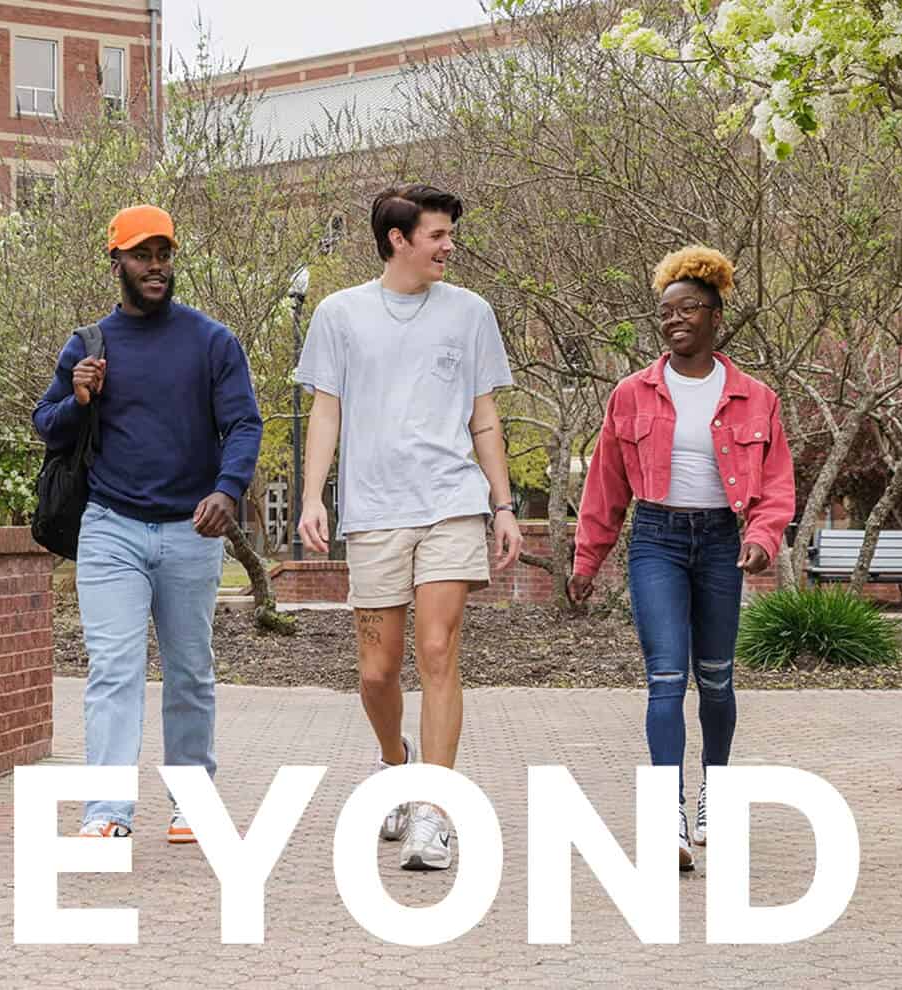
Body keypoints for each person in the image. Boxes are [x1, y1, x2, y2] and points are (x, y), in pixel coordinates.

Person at [294, 184, 520, 872]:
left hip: (452, 502)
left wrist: (504, 504)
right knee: (376, 671)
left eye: (450, 233)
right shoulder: (339, 315)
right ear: (398, 240)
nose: (449, 246)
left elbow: (483, 415)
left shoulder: (470, 314)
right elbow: (326, 413)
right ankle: (395, 762)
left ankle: (433, 811)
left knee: (438, 649)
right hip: (373, 512)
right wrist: (312, 497)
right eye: (437, 235)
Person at [34, 204, 263, 843]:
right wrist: (76, 400)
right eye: (142, 254)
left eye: (163, 253)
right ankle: (106, 812)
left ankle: (192, 803)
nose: (155, 266)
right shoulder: (89, 345)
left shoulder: (212, 341)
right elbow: (45, 426)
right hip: (110, 527)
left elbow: (244, 423)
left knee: (189, 669)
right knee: (113, 667)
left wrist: (227, 489)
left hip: (192, 527)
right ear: (117, 263)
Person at [568, 245, 796, 871]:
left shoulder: (755, 397)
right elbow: (606, 485)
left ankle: (711, 799)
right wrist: (588, 559)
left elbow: (777, 484)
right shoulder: (631, 393)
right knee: (666, 676)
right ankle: (667, 812)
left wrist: (762, 536)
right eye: (665, 312)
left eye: (689, 309)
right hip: (657, 541)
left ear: (716, 318)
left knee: (717, 678)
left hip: (723, 542)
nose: (674, 320)